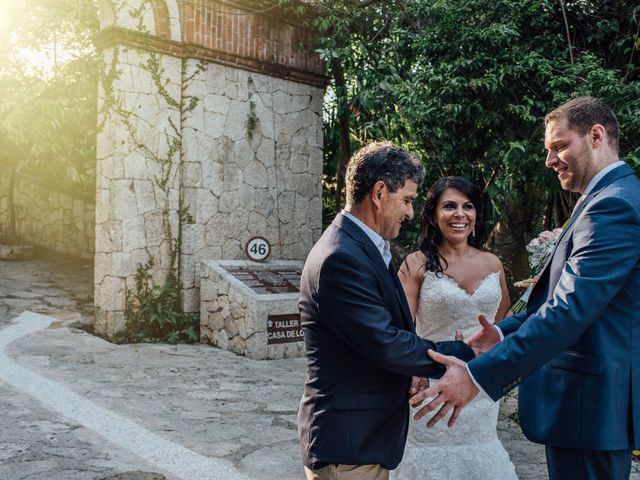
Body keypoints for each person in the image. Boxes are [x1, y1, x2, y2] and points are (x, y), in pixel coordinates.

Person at [410, 97, 640, 480]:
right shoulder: (602, 200)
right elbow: (553, 301)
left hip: (591, 409)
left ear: (596, 135)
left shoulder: (613, 206)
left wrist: (479, 375)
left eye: (559, 146)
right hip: (583, 410)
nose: (550, 160)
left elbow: (568, 311)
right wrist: (502, 331)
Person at [297, 141, 475, 480]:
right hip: (349, 448)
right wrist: (464, 352)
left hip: (363, 439)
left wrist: (409, 370)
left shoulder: (362, 246)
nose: (410, 213)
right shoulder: (341, 257)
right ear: (379, 193)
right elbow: (386, 342)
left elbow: (375, 336)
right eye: (406, 200)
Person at [390, 176, 517, 480]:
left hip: (481, 382)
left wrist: (501, 362)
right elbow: (399, 325)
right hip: (431, 382)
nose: (460, 214)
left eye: (468, 206)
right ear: (434, 214)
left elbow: (504, 318)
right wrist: (413, 369)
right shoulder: (416, 264)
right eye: (449, 206)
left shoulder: (492, 263)